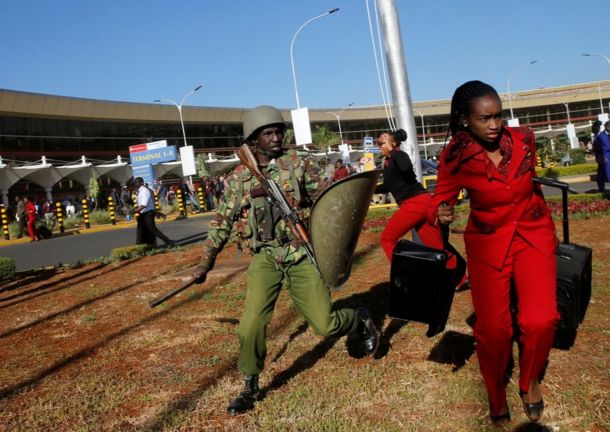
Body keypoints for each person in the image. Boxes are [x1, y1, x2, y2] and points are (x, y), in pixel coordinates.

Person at [190, 105, 379, 416]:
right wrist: (205, 262)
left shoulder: (299, 164)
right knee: (251, 325)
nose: (276, 137)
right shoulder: (239, 178)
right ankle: (250, 384)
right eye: (268, 133)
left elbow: (329, 203)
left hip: (301, 253)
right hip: (265, 258)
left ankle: (358, 317)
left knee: (325, 323)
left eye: (278, 131)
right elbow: (221, 220)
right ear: (254, 140)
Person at [428, 81, 558, 426]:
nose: (494, 125)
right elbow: (443, 196)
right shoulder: (455, 155)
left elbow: (535, 184)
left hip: (533, 236)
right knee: (495, 330)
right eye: (485, 118)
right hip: (488, 244)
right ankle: (496, 394)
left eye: (499, 116)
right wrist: (441, 211)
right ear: (465, 119)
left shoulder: (523, 140)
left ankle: (530, 381)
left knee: (540, 319)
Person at [377, 129, 447, 260]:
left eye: (381, 143)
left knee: (387, 239)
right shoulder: (390, 161)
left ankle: (403, 276)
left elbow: (406, 167)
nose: (379, 146)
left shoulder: (398, 155)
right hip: (422, 201)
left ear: (392, 142)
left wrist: (393, 151)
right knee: (434, 245)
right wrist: (370, 190)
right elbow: (389, 185)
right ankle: (460, 279)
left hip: (414, 203)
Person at [134, 177, 175, 247]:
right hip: (143, 213)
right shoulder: (140, 191)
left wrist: (134, 211)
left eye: (137, 182)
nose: (136, 184)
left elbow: (144, 205)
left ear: (141, 182)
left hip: (148, 213)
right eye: (135, 182)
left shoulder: (144, 191)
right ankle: (147, 245)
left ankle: (169, 242)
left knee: (152, 230)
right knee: (141, 230)